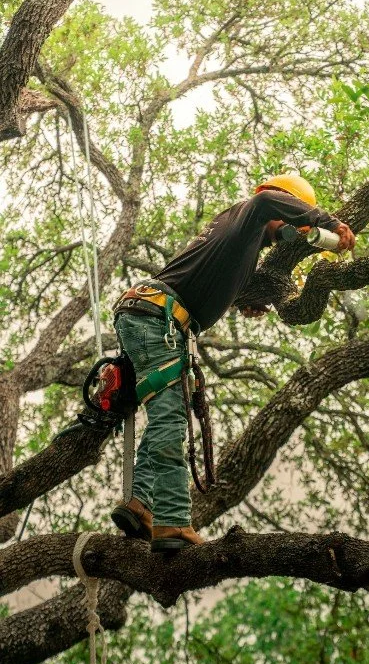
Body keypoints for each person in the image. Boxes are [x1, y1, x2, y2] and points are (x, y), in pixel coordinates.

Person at [110, 174, 355, 552]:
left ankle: (140, 503)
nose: (295, 229)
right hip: (157, 318)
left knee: (165, 410)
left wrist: (243, 299)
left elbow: (214, 279)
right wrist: (329, 223)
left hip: (151, 316)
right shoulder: (249, 212)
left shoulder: (241, 239)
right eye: (295, 217)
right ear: (282, 203)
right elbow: (266, 202)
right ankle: (173, 522)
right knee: (170, 417)